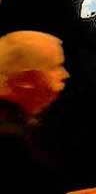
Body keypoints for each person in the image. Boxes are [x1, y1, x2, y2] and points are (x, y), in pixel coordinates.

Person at [0, 30, 70, 193]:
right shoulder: (10, 139)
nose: (65, 75)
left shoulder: (17, 121)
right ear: (26, 79)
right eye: (55, 67)